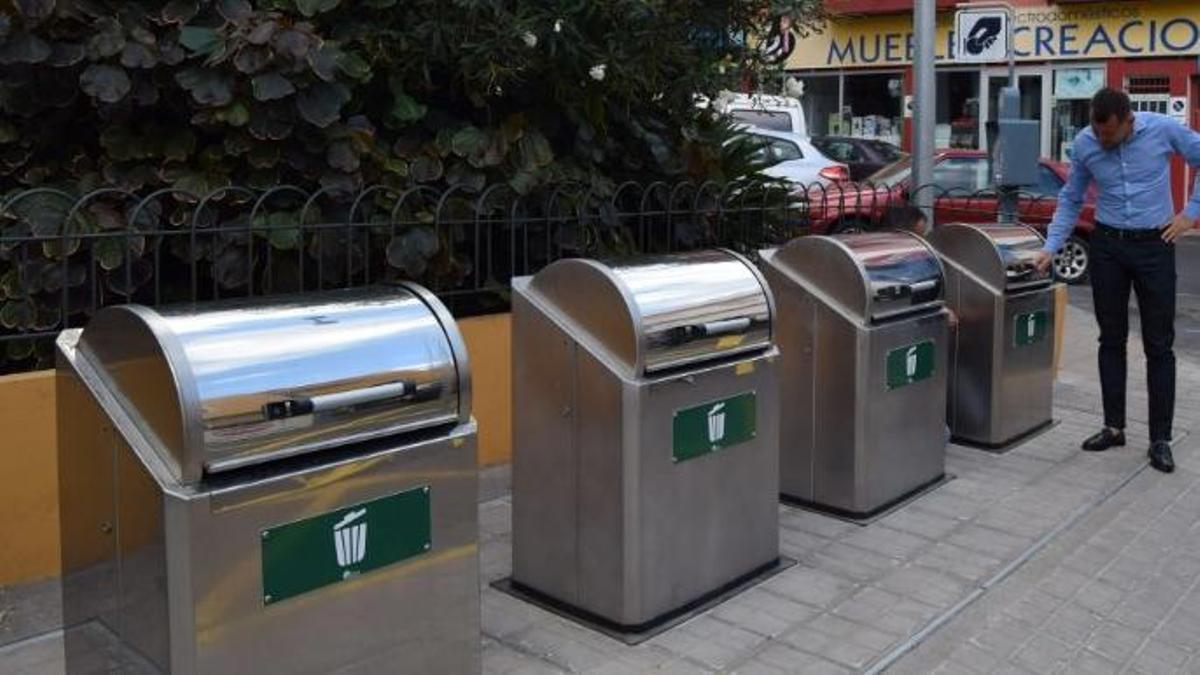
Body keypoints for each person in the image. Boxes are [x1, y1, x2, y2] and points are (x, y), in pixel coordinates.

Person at [1032, 87, 1200, 473]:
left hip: (1155, 244)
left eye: (1110, 134)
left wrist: (1191, 212)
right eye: (1098, 132)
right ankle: (1113, 426)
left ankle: (1160, 439)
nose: (1103, 141)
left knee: (1159, 344)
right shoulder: (1085, 143)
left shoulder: (1162, 130)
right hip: (1108, 246)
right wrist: (1053, 245)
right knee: (1111, 339)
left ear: (1129, 121)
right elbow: (1071, 197)